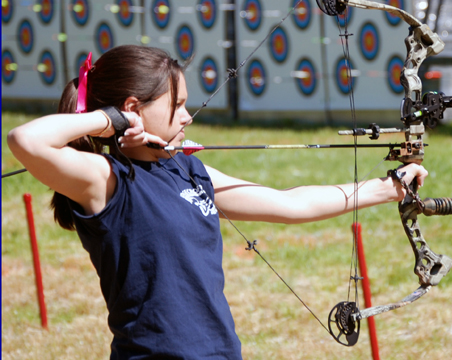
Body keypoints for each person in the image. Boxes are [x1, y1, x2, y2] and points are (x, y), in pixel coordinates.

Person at [8, 45, 428, 359]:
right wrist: (111, 120)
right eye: (177, 105)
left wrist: (389, 187)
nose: (188, 116)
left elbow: (289, 203)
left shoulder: (189, 170)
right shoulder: (107, 180)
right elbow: (24, 139)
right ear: (134, 109)